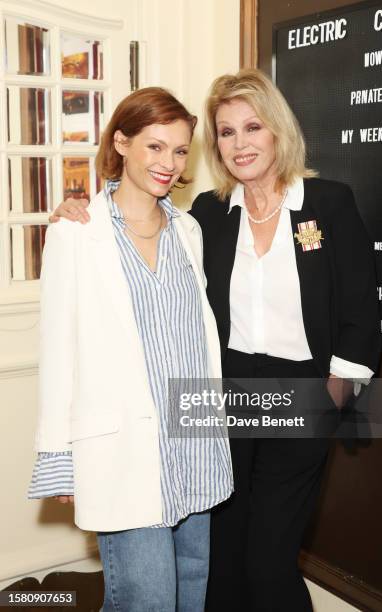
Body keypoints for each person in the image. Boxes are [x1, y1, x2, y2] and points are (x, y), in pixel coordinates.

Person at [49, 69, 382, 612]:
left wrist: (335, 394)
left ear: (277, 131)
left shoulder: (328, 202)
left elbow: (361, 310)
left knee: (270, 558)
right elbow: (137, 217)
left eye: (252, 128)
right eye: (226, 133)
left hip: (301, 395)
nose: (240, 144)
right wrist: (74, 209)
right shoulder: (206, 214)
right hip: (221, 398)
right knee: (221, 556)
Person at [28, 87, 233, 612]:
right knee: (147, 600)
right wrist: (58, 456)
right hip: (123, 453)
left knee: (193, 592)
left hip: (194, 446)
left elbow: (197, 342)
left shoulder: (188, 231)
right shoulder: (77, 233)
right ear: (121, 142)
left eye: (181, 150)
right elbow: (58, 351)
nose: (169, 163)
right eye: (155, 147)